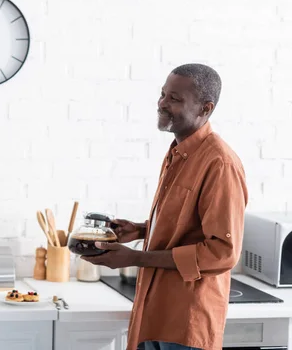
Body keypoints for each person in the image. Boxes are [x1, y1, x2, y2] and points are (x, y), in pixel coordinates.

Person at [83, 64, 248, 350]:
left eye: (175, 99)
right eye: (162, 94)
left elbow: (222, 252)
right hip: (155, 311)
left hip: (187, 323)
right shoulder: (179, 151)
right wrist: (139, 230)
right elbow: (189, 223)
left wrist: (135, 259)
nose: (162, 104)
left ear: (205, 108)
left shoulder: (219, 163)